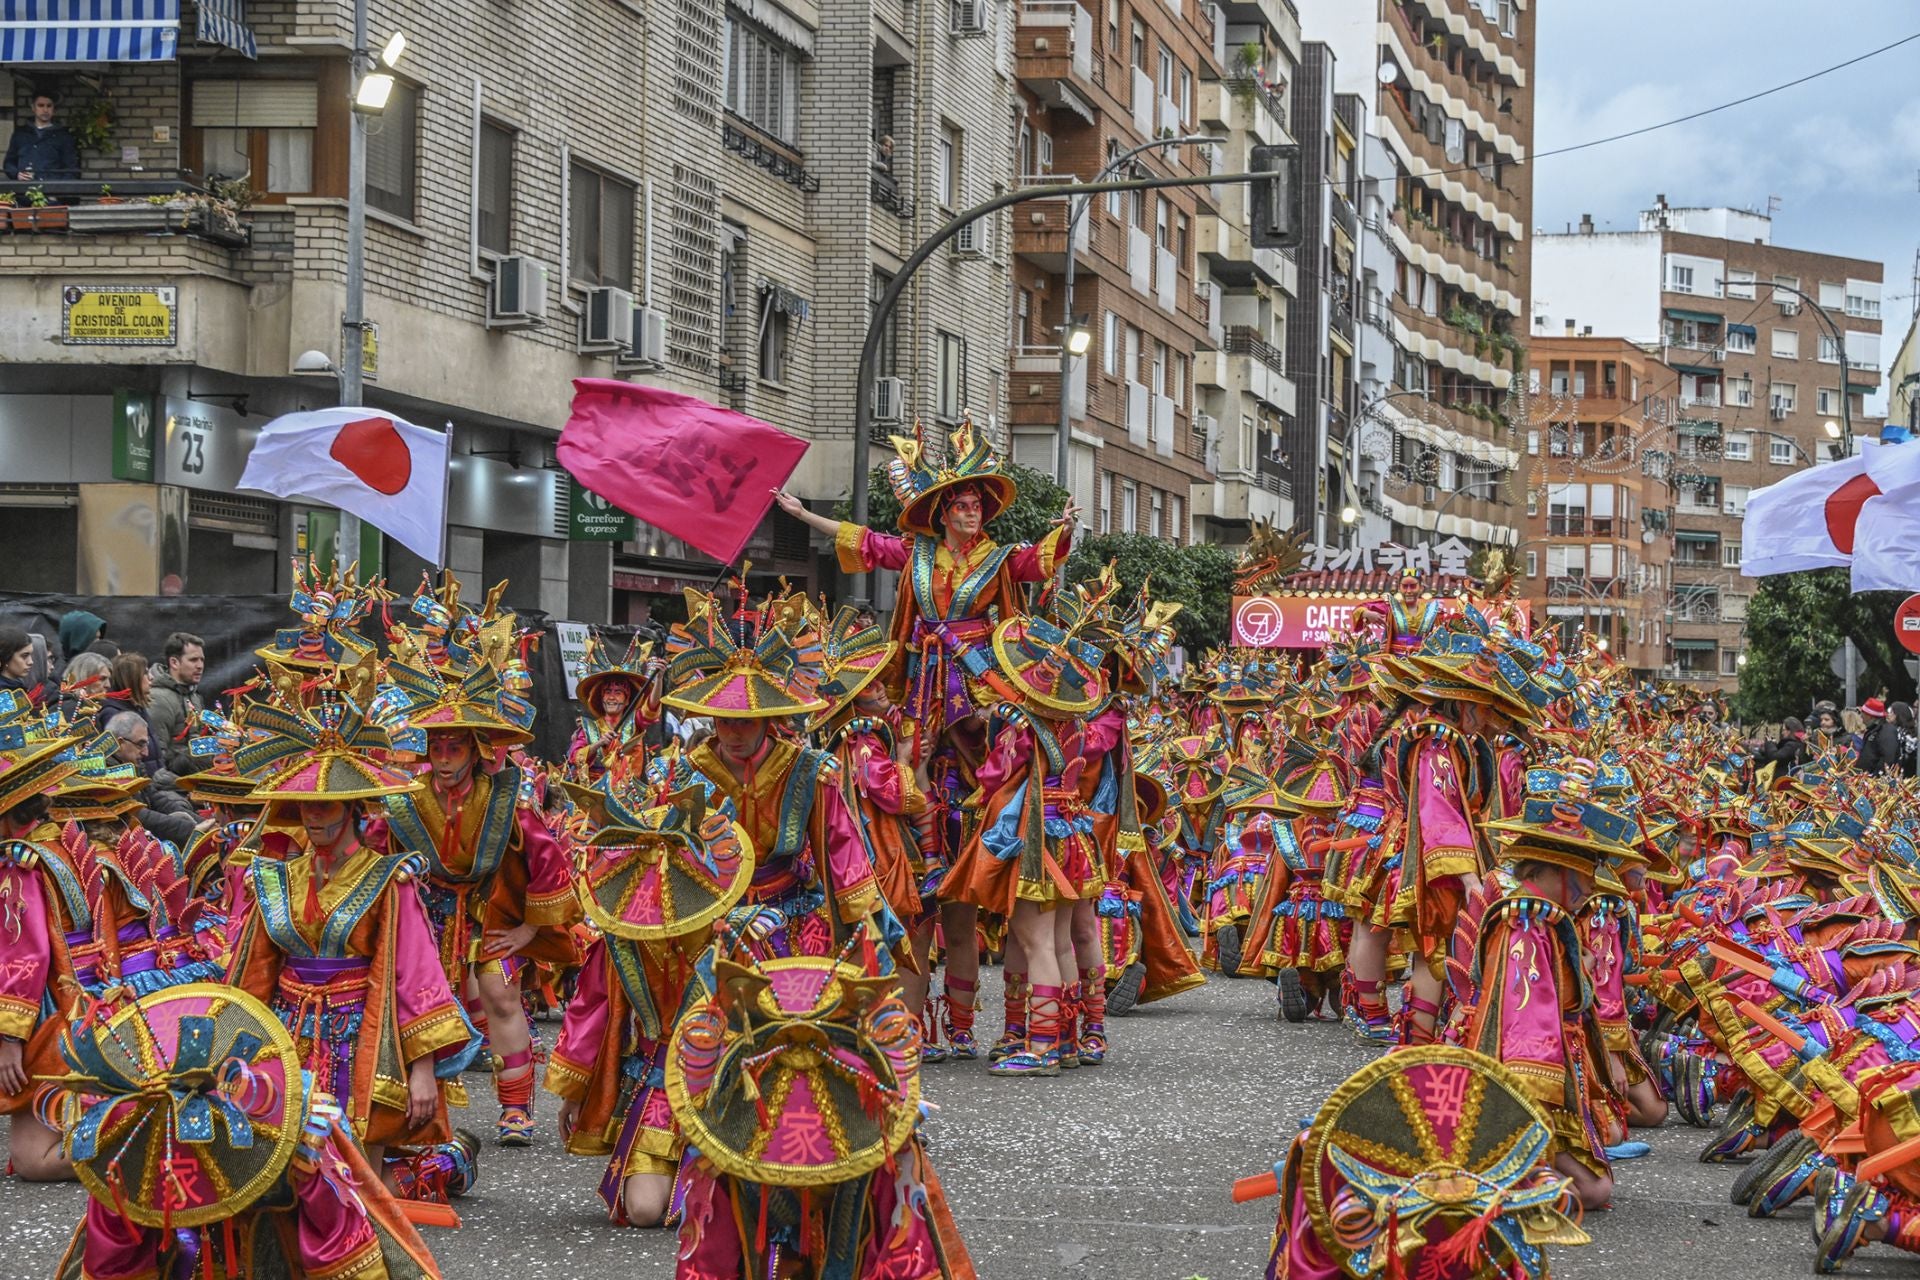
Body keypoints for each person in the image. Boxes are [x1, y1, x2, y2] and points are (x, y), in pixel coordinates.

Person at [771, 420, 1076, 765]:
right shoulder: (919, 554)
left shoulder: (995, 558)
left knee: (982, 739)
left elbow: (1034, 561)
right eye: (963, 506)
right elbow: (867, 541)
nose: (973, 513)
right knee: (918, 744)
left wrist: (1064, 532)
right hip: (924, 667)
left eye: (977, 506)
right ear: (943, 515)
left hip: (977, 667)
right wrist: (804, 514)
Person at [145, 630, 206, 775]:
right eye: (193, 660)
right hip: (172, 782)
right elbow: (156, 754)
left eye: (202, 660)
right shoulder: (158, 699)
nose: (200, 666)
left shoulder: (195, 696)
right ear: (174, 662)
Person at [96, 652, 160, 775]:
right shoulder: (112, 715)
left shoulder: (139, 708)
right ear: (131, 679)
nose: (151, 677)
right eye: (145, 673)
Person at [4, 91, 80, 181]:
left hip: (51, 190)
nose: (45, 110)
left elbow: (71, 169)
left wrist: (59, 191)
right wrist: (17, 174)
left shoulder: (63, 137)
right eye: (41, 105)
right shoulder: (20, 134)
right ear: (33, 108)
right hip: (24, 190)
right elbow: (9, 162)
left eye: (49, 106)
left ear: (54, 109)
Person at [1855, 697, 1902, 776]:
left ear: (1870, 716)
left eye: (1862, 714)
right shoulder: (1874, 730)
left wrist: (1875, 776)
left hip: (1876, 782)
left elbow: (1889, 758)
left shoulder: (1887, 732)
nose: (1861, 717)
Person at [0, 625, 38, 706]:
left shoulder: (18, 686)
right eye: (24, 656)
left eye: (31, 655)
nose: (31, 662)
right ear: (6, 657)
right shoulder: (4, 694)